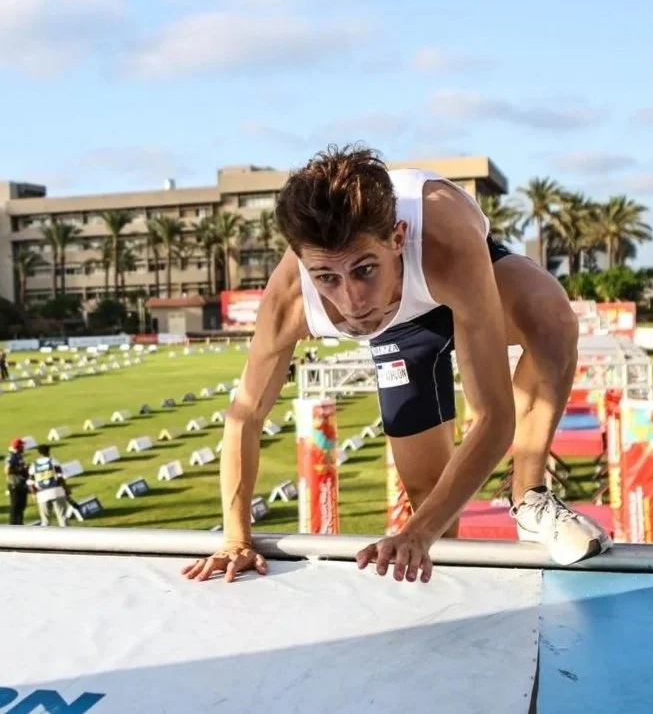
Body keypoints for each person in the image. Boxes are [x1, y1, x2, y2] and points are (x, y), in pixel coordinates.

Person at [181, 144, 612, 585]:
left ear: (398, 237)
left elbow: (494, 417)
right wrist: (236, 537)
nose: (352, 302)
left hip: (456, 282)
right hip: (401, 333)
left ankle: (531, 497)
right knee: (429, 498)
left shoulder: (446, 240)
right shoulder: (289, 300)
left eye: (364, 269)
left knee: (550, 317)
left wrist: (415, 534)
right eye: (327, 278)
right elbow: (245, 416)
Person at [29, 444, 70, 527]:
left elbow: (31, 482)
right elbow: (60, 477)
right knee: (63, 518)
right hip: (57, 492)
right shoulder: (54, 461)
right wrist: (66, 489)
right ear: (49, 451)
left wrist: (34, 494)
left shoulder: (33, 465)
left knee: (45, 521)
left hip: (42, 494)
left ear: (39, 453)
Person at [5, 438, 30, 525]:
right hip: (15, 484)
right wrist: (20, 470)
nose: (23, 447)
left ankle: (20, 523)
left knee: (22, 505)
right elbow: (7, 471)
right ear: (18, 447)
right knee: (15, 506)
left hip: (22, 484)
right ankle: (13, 525)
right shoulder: (11, 456)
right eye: (22, 446)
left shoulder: (19, 455)